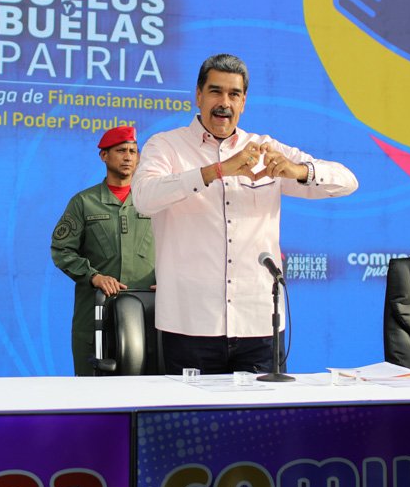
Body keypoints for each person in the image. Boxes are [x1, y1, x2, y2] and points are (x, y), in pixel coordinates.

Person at [131, 54, 358, 375]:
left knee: (261, 423)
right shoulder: (166, 146)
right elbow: (143, 198)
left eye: (233, 94)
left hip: (259, 324)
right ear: (198, 95)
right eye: (215, 92)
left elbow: (347, 181)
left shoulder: (264, 148)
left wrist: (297, 170)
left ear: (244, 102)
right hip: (190, 322)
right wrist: (217, 171)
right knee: (191, 423)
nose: (224, 103)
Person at [51, 126, 156, 376]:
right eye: (121, 151)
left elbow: (178, 246)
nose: (129, 157)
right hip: (97, 312)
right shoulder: (84, 202)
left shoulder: (153, 201)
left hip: (147, 311)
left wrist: (170, 281)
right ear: (103, 156)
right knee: (95, 390)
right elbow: (61, 249)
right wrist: (94, 277)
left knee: (150, 389)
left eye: (133, 151)